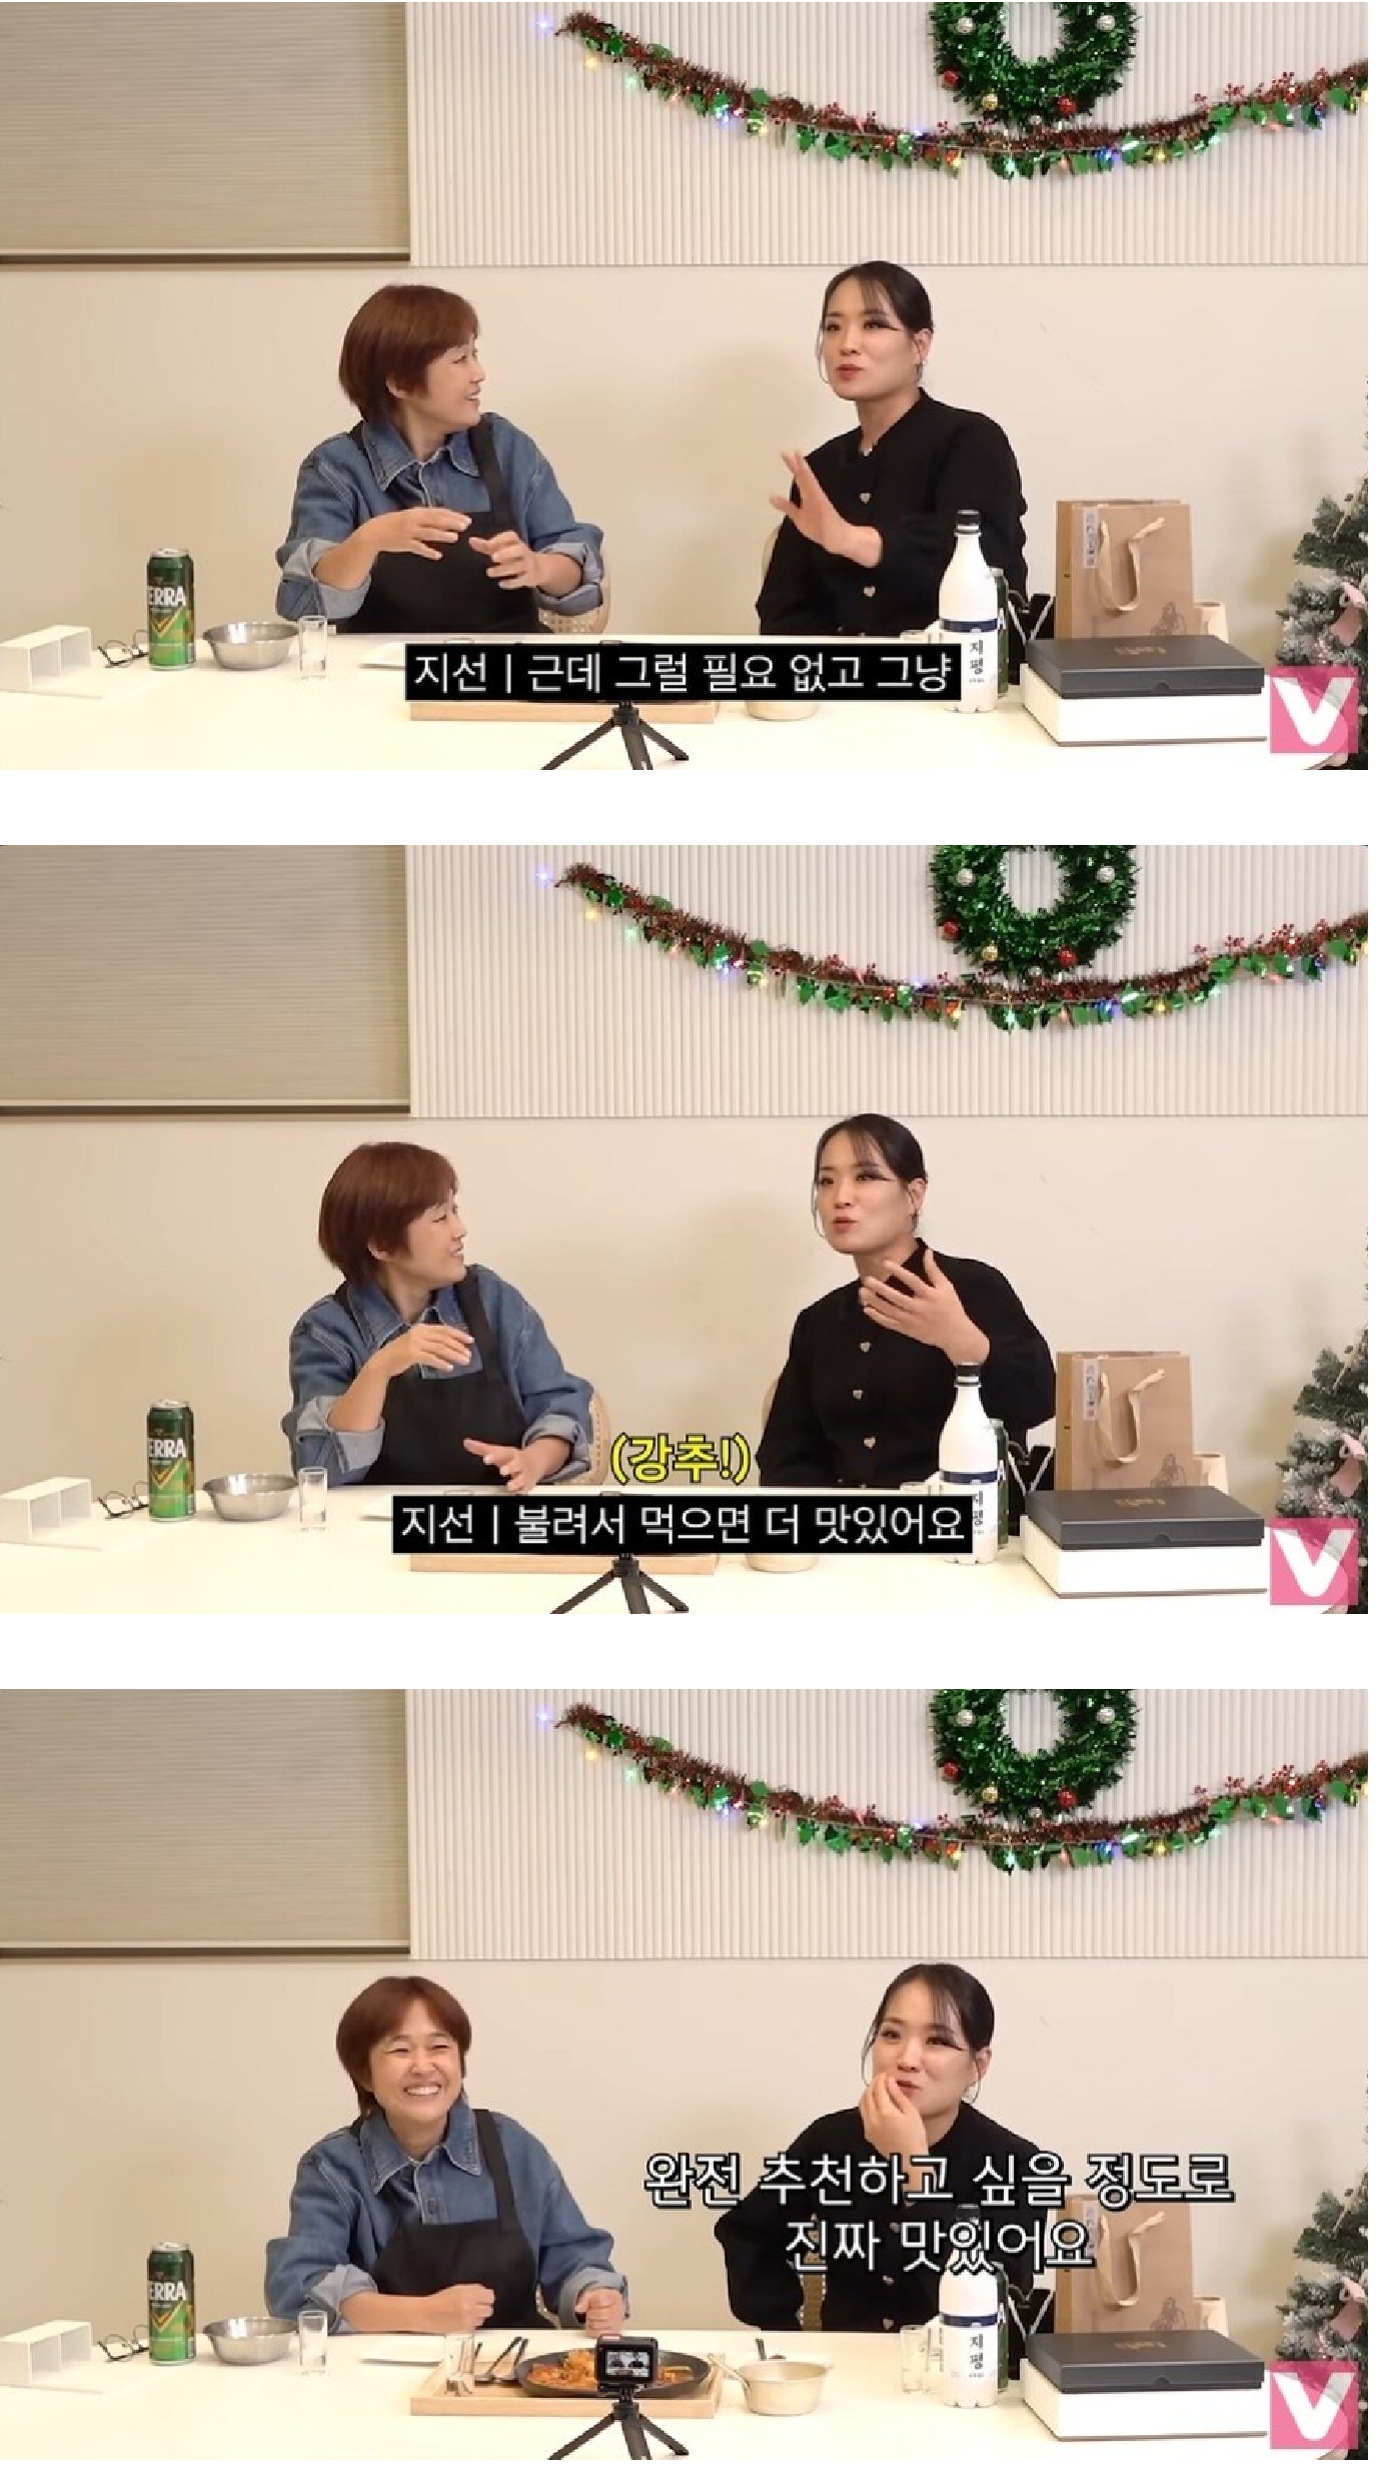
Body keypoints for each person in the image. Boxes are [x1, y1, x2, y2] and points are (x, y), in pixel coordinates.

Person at [715, 1964, 1052, 2369]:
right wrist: (785, 2333)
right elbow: (749, 2233)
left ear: (979, 2064)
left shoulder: (1016, 2163)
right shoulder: (829, 2140)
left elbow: (1001, 2304)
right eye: (891, 2034)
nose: (907, 2059)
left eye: (937, 2040)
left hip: (961, 2376)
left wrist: (914, 2171)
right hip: (848, 2371)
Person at [265, 1975, 628, 2334]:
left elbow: (574, 2256)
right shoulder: (332, 2167)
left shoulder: (513, 2146)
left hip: (512, 2364)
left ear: (460, 2062)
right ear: (364, 2074)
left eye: (439, 2047)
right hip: (381, 2368)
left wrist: (595, 2295)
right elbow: (300, 2287)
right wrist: (420, 2314)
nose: (423, 2066)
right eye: (400, 2050)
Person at [275, 283, 604, 633]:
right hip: (382, 665)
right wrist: (370, 539)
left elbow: (577, 572)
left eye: (474, 354)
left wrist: (540, 567)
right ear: (401, 383)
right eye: (460, 359)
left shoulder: (506, 447)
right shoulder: (335, 467)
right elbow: (305, 605)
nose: (479, 374)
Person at [758, 1114, 1053, 1491]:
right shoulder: (819, 1321)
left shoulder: (973, 1286)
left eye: (865, 1176)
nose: (840, 1197)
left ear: (914, 1195)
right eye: (826, 1181)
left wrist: (962, 1343)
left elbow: (1040, 1402)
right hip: (847, 1524)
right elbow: (786, 1455)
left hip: (958, 1519)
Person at [284, 1141, 592, 1489]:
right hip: (380, 1523)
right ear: (383, 1245)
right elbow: (321, 1470)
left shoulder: (493, 1301)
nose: (460, 1229)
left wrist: (534, 1461)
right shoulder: (326, 1331)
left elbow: (560, 1406)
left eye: (454, 1210)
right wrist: (379, 1369)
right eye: (441, 1217)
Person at [757, 262, 1027, 636]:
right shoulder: (821, 468)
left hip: (952, 669)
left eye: (873, 325)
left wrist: (854, 541)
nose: (847, 344)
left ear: (920, 345)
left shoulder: (970, 440)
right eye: (833, 327)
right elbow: (783, 610)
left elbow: (981, 562)